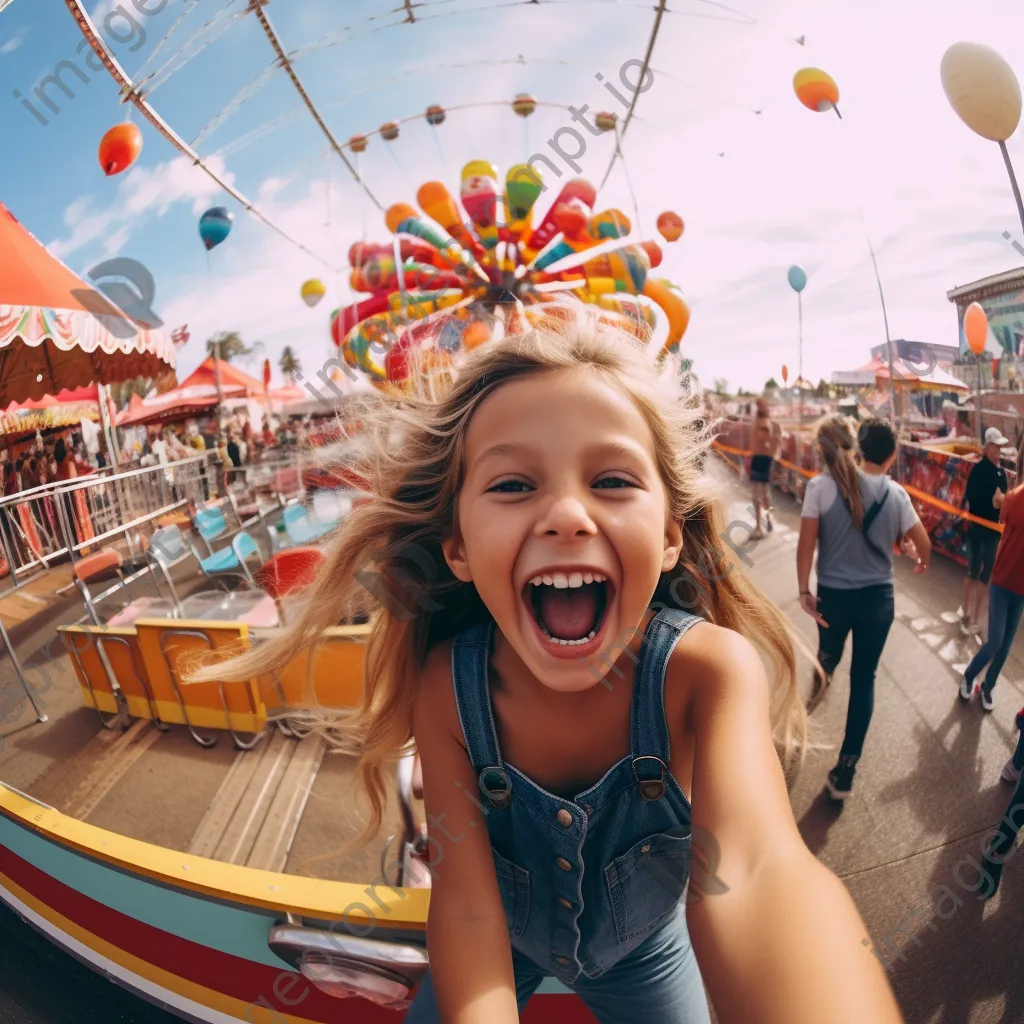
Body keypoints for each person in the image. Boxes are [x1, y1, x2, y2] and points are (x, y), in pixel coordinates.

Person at [194, 303, 902, 1024]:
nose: (567, 513)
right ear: (460, 547)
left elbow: (756, 874)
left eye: (613, 481)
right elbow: (468, 910)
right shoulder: (450, 688)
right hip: (504, 939)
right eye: (512, 484)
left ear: (668, 537)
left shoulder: (707, 672)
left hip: (644, 955)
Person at [797, 417, 931, 801]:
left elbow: (806, 545)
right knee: (865, 679)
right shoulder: (897, 495)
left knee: (826, 660)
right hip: (878, 602)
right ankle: (846, 772)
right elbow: (923, 546)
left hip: (834, 600)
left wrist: (804, 590)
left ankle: (802, 719)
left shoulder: (822, 487)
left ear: (860, 449)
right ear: (891, 455)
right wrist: (917, 559)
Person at [959, 444, 1024, 711]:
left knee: (1006, 644)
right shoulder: (1017, 496)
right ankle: (969, 675)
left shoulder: (1012, 495)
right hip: (1002, 580)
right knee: (996, 640)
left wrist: (1001, 497)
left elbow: (1001, 501)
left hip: (1021, 588)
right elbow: (1003, 503)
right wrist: (1000, 497)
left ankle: (989, 685)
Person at [960, 426, 1009, 634]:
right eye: (995, 446)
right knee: (972, 572)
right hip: (977, 531)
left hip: (992, 534)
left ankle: (977, 617)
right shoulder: (978, 471)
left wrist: (1001, 504)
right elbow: (973, 499)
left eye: (1000, 447)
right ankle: (965, 614)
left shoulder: (1001, 473)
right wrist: (994, 504)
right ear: (987, 447)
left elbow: (1005, 501)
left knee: (985, 575)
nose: (998, 450)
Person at [748, 398, 781, 539]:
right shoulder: (757, 424)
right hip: (758, 459)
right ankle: (759, 525)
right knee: (757, 495)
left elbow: (772, 442)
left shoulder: (768, 425)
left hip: (764, 460)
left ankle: (765, 520)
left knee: (762, 495)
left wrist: (770, 453)